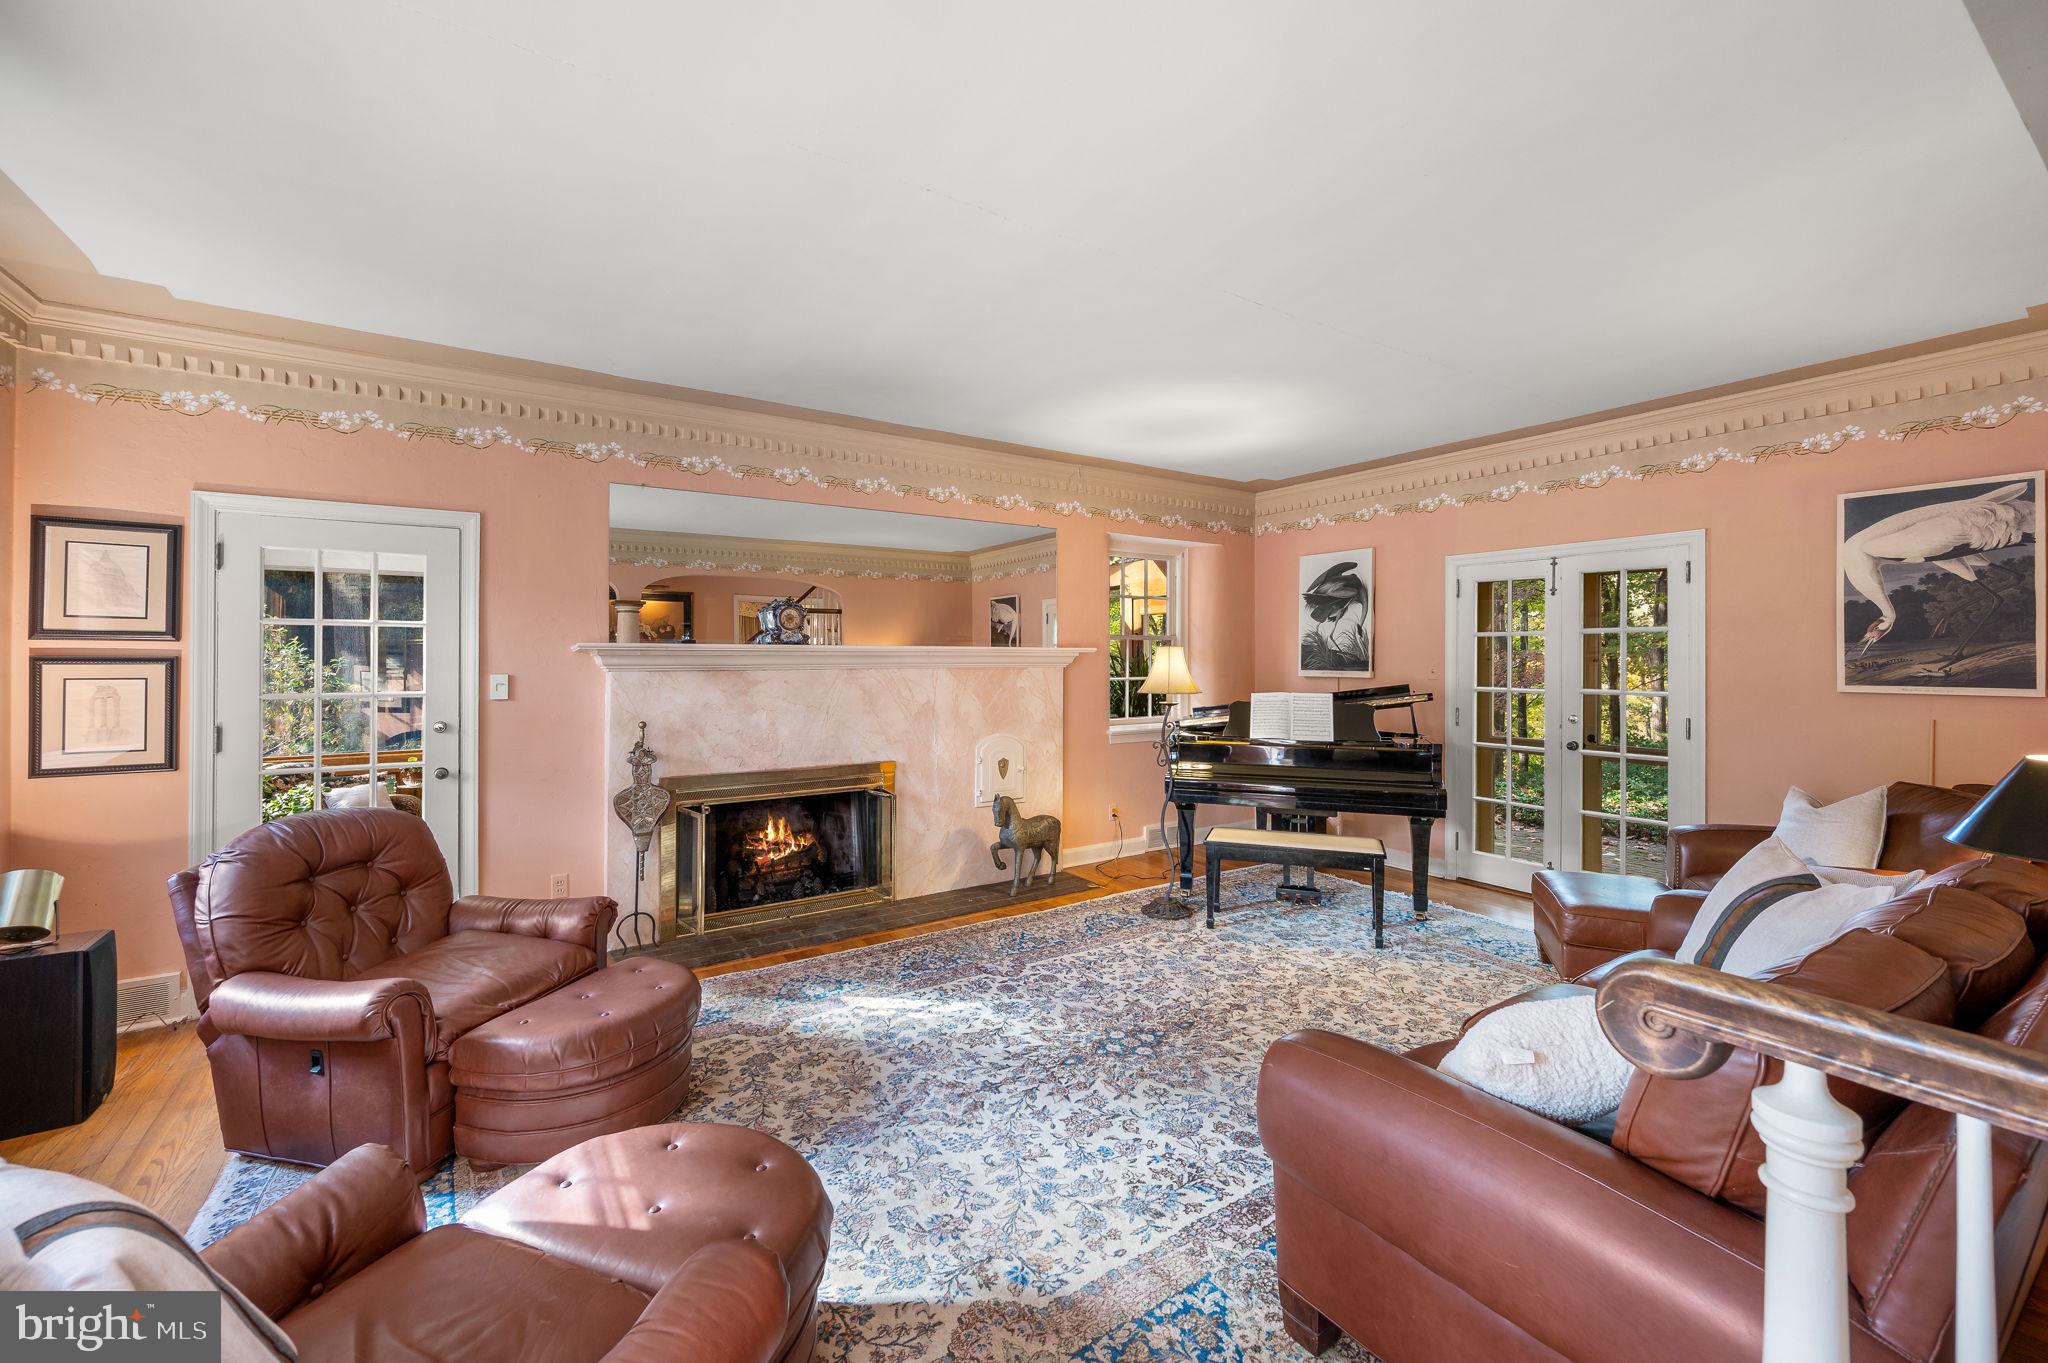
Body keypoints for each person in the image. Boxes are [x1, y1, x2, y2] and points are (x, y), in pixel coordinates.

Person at [1301, 561, 1370, 670]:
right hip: (1330, 596)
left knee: (1342, 607)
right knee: (1351, 595)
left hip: (1332, 599)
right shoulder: (1355, 591)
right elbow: (1362, 604)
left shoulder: (1351, 593)